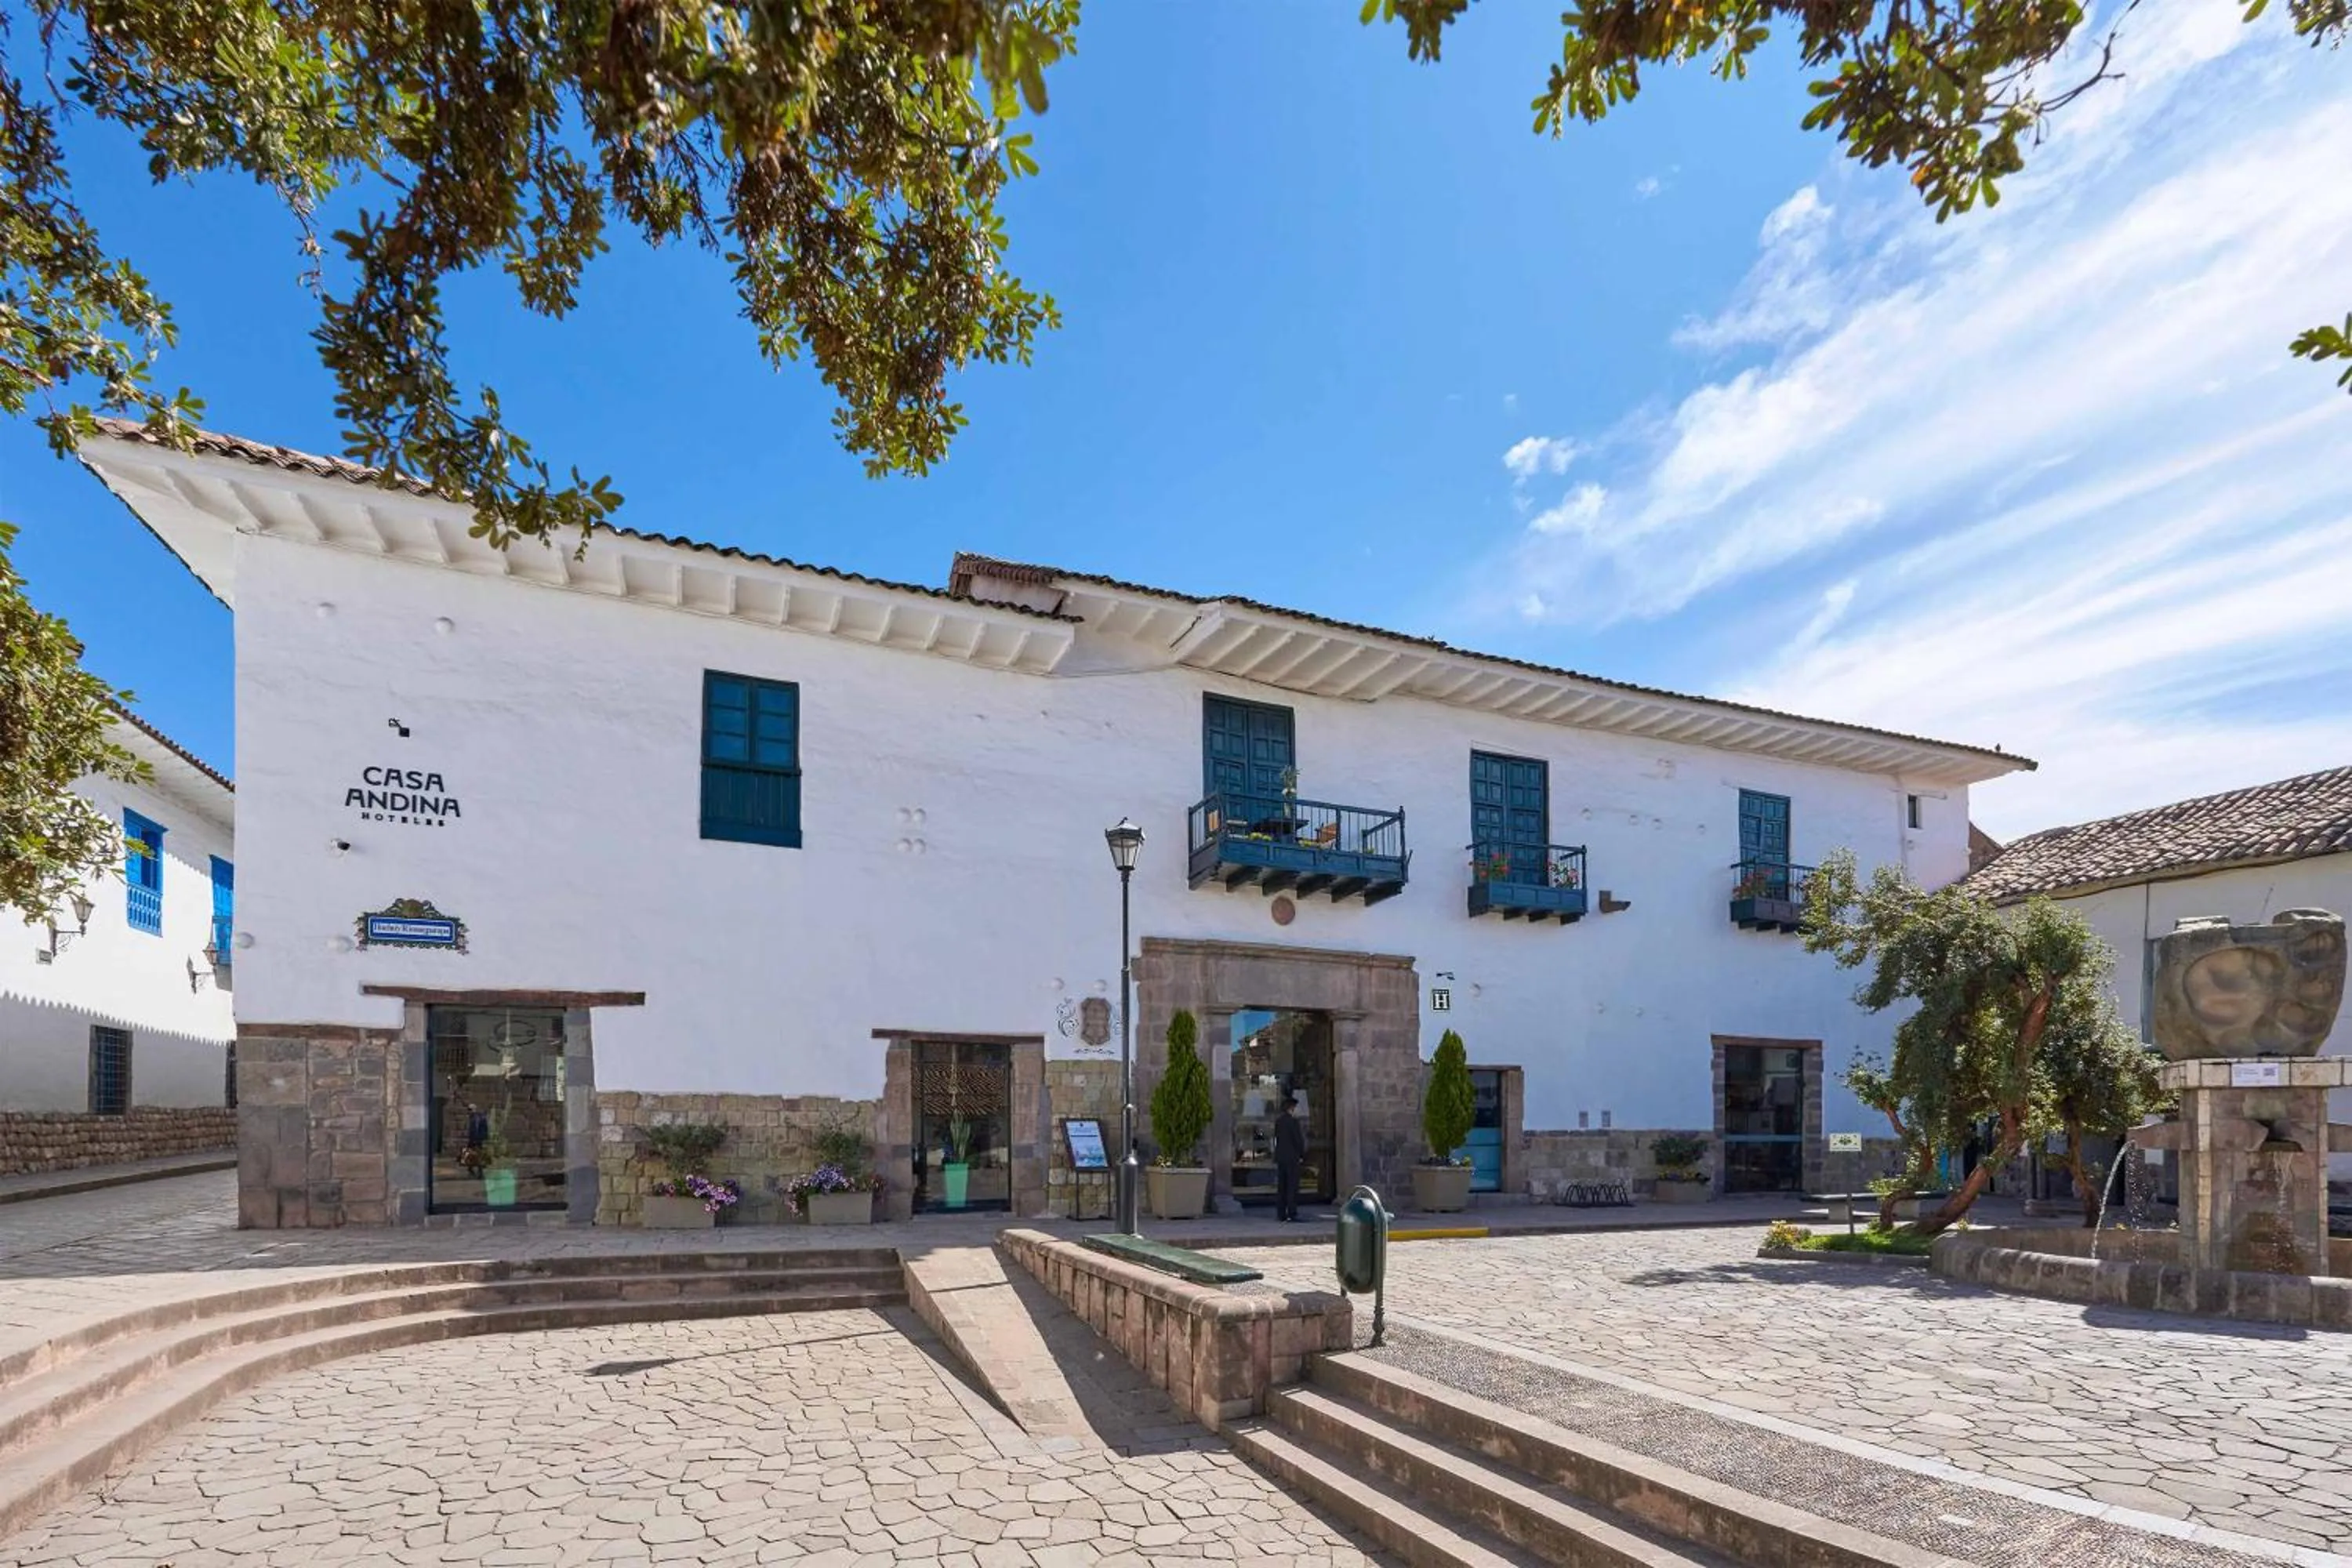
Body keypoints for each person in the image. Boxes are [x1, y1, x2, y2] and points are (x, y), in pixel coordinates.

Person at [1272, 1094, 1305, 1222]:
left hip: (1281, 1157)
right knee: (1292, 1186)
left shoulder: (1279, 1121)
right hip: (1292, 1158)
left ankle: (1281, 1213)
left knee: (1282, 1186)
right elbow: (1298, 1140)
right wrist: (1302, 1154)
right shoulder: (1293, 1122)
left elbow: (1276, 1138)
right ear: (1291, 1108)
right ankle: (1292, 1212)